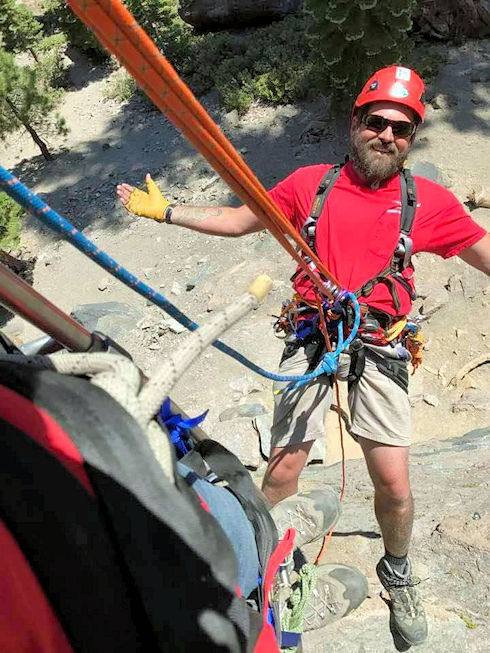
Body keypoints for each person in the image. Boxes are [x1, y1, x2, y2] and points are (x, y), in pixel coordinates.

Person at [117, 65, 490, 647]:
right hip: (314, 336)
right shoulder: (310, 184)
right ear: (356, 123)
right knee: (284, 469)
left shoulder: (429, 203)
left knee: (392, 483)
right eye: (377, 123)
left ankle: (397, 567)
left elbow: (484, 251)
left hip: (378, 343)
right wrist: (167, 212)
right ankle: (257, 564)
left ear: (412, 138)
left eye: (401, 128)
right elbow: (242, 220)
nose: (387, 136)